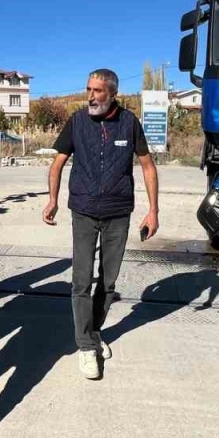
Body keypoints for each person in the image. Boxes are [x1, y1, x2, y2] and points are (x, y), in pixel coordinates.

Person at [43, 68, 159, 380]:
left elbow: (148, 166)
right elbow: (57, 164)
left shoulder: (129, 122)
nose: (90, 96)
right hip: (83, 210)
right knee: (81, 280)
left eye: (97, 91)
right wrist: (52, 199)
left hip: (118, 212)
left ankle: (93, 333)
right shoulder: (78, 121)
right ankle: (85, 347)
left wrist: (154, 211)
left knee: (107, 283)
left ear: (112, 94)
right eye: (88, 90)